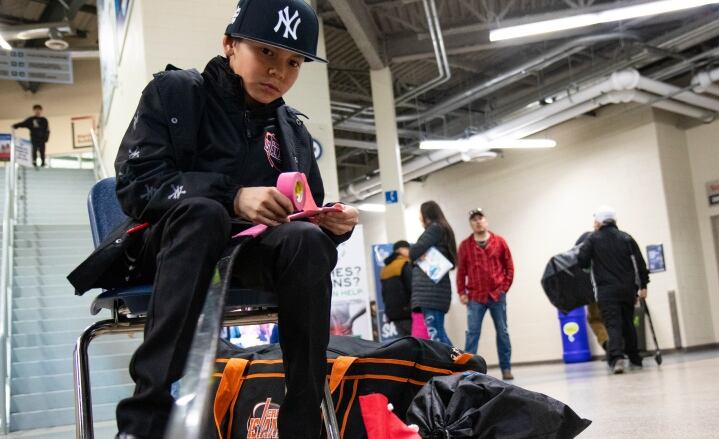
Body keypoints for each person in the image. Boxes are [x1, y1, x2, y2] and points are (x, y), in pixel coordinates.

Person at [67, 0, 359, 437]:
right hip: (167, 247)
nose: (279, 71)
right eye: (266, 52)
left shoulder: (291, 130)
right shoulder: (176, 94)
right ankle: (145, 419)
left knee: (307, 242)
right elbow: (136, 186)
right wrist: (233, 197)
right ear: (229, 44)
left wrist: (331, 223)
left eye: (293, 62)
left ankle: (303, 422)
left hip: (245, 257)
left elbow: (304, 210)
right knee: (204, 214)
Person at [577, 206, 649, 374]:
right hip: (627, 290)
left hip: (606, 291)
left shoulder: (593, 239)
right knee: (628, 323)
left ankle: (617, 358)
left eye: (595, 221)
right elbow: (640, 263)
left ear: (601, 222)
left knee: (613, 324)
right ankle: (635, 358)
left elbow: (582, 261)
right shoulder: (626, 238)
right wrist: (643, 285)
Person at [456, 208, 515, 380]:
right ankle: (466, 371)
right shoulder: (465, 246)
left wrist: (504, 287)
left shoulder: (500, 242)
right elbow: (461, 272)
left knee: (502, 332)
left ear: (485, 220)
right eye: (474, 220)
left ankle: (506, 368)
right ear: (470, 224)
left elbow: (509, 266)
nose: (478, 221)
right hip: (475, 297)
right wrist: (461, 292)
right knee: (472, 333)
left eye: (480, 218)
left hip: (497, 294)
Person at [410, 201, 457, 346]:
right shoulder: (443, 231)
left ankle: (459, 365)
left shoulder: (435, 229)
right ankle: (459, 364)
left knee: (436, 335)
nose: (419, 218)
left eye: (420, 215)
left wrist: (413, 252)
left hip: (430, 292)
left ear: (426, 215)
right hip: (434, 292)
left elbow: (414, 252)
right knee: (437, 333)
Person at [576, 231, 609, 353]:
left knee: (594, 319)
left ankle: (606, 341)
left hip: (592, 290)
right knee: (613, 318)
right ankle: (618, 347)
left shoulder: (583, 241)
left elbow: (578, 263)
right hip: (609, 287)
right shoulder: (606, 241)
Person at [380, 240, 413, 337]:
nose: (410, 251)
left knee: (403, 341)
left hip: (393, 313)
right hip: (407, 312)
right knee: (415, 342)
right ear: (401, 250)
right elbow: (411, 288)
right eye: (408, 248)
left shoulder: (385, 269)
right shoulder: (404, 264)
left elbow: (383, 293)